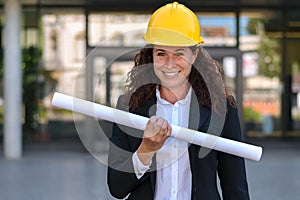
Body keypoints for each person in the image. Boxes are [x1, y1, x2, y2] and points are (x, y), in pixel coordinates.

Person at [107, 2, 250, 200]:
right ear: (151, 54)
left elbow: (235, 188)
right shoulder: (129, 106)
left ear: (195, 54)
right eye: (161, 54)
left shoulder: (220, 108)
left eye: (179, 54)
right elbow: (117, 187)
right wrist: (145, 150)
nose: (169, 64)